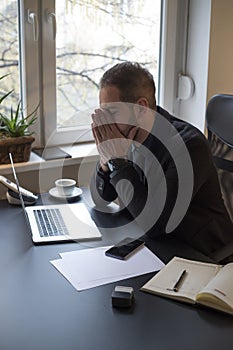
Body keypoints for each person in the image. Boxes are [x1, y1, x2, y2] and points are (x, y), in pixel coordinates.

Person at [90, 61, 233, 262]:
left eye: (112, 113)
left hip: (203, 256)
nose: (106, 122)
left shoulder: (188, 146)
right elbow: (101, 198)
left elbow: (155, 223)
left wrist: (117, 161)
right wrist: (107, 163)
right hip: (159, 247)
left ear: (140, 108)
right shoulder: (126, 136)